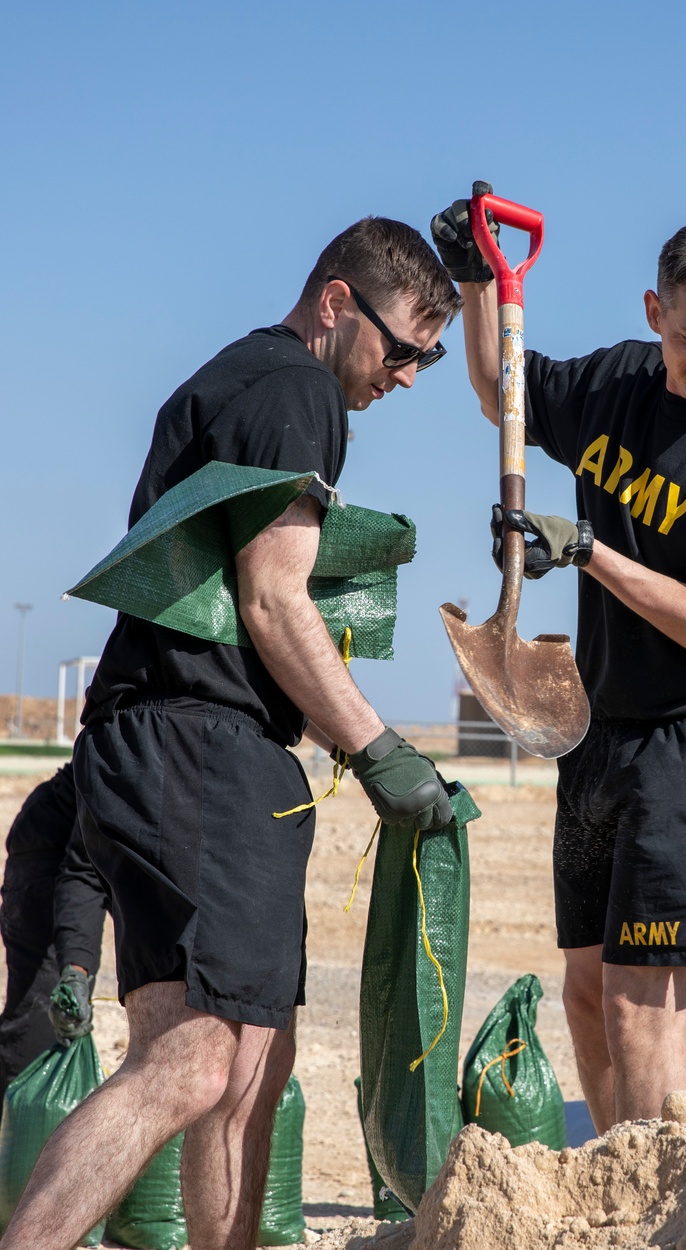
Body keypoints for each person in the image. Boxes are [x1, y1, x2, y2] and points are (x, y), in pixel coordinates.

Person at [0, 217, 460, 1250]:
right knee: (203, 1055)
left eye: (428, 356)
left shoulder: (246, 380)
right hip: (195, 739)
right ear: (336, 303)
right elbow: (271, 597)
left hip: (184, 744)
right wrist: (377, 746)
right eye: (401, 349)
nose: (408, 376)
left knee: (255, 1050)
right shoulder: (293, 388)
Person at [431, 185, 686, 1132]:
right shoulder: (615, 384)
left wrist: (588, 553)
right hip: (598, 735)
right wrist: (479, 279)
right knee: (590, 995)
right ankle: (625, 1181)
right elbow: (499, 391)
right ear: (656, 314)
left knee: (646, 1004)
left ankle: (658, 1218)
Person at [0, 765, 107, 1104]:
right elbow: (84, 873)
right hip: (53, 844)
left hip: (106, 849)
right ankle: (16, 1140)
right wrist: (75, 969)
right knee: (48, 1010)